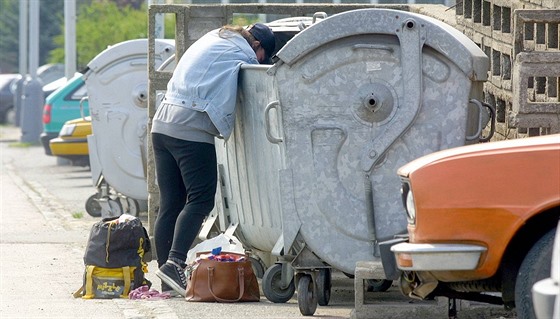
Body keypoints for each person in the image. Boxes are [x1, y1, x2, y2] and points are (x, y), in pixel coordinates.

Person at [151, 23, 275, 297]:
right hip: (190, 128)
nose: (261, 60)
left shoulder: (215, 37)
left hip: (162, 124)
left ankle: (166, 277)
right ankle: (175, 263)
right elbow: (262, 79)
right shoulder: (244, 53)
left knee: (171, 203)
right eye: (264, 55)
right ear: (257, 46)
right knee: (201, 200)